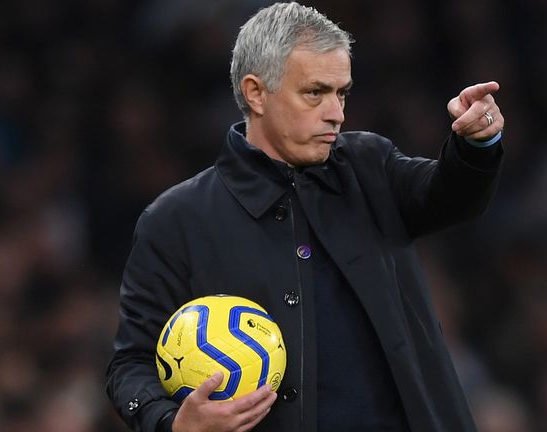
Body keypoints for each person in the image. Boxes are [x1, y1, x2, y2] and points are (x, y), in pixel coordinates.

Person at [105, 2, 505, 431]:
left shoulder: (369, 165)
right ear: (256, 93)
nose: (337, 113)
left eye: (342, 92)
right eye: (315, 92)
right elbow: (130, 364)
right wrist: (171, 423)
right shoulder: (175, 220)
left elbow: (449, 197)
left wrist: (476, 146)